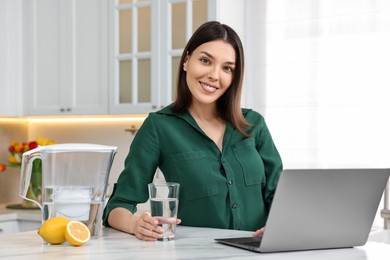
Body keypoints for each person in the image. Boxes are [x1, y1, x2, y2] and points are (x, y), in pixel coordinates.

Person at [103, 21, 283, 241]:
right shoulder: (159, 127)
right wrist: (135, 223)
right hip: (198, 253)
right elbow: (118, 206)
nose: (215, 75)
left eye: (227, 68)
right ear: (187, 60)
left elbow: (280, 196)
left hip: (260, 253)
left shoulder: (254, 124)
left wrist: (280, 227)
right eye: (206, 61)